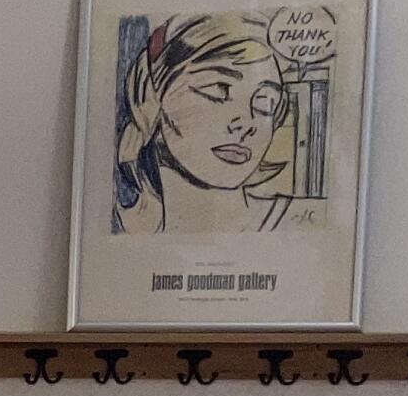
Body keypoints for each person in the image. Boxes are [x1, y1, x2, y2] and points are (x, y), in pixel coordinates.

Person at [112, 12, 294, 234]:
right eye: (218, 89)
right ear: (152, 96)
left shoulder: (297, 221)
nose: (247, 123)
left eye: (266, 103)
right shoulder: (121, 229)